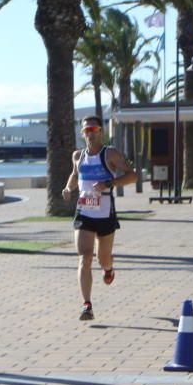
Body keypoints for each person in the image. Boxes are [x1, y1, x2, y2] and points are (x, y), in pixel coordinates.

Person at [61, 116, 136, 321]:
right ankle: (87, 305)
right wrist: (68, 188)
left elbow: (132, 175)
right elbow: (75, 175)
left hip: (105, 214)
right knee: (84, 257)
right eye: (86, 130)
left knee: (103, 258)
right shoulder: (78, 155)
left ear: (100, 131)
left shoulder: (109, 153)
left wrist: (109, 184)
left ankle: (109, 268)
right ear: (82, 133)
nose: (90, 133)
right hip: (84, 212)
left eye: (93, 129)